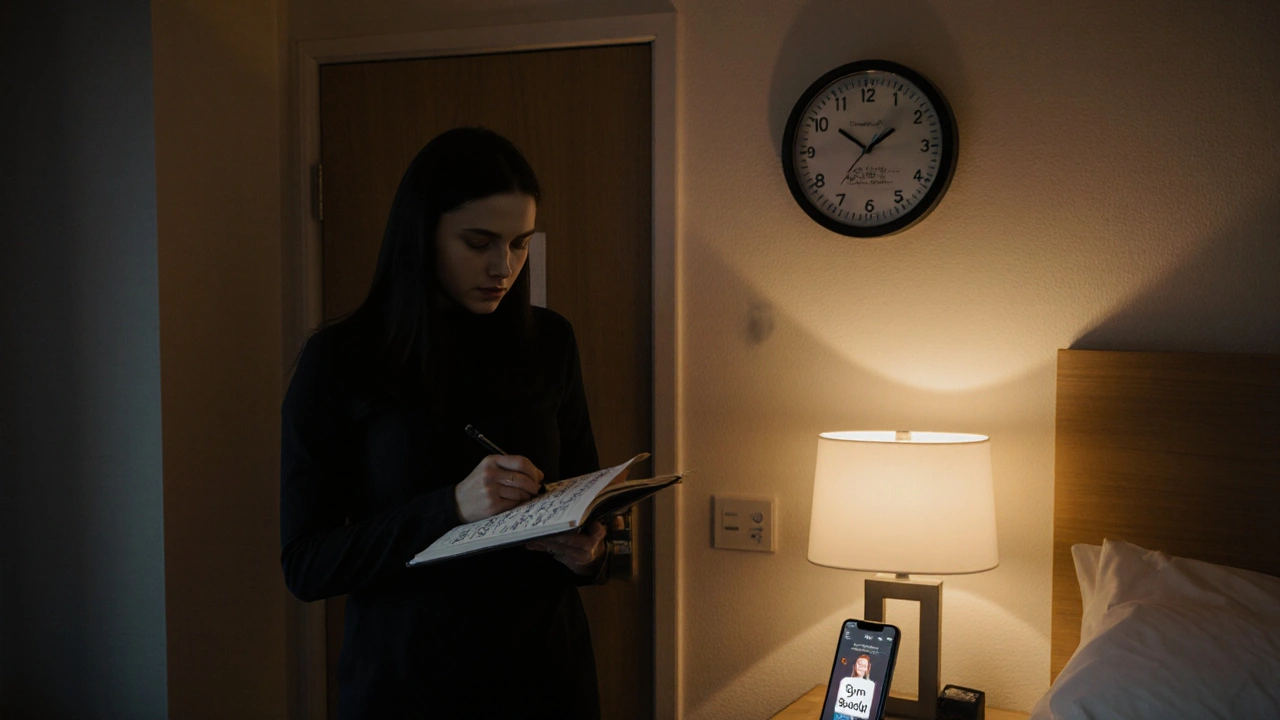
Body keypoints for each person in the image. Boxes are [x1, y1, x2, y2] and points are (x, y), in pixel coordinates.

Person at [279, 127, 610, 719]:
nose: (502, 266)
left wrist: (592, 553)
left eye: (519, 243)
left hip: (545, 678)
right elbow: (308, 564)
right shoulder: (343, 360)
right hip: (407, 684)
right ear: (421, 235)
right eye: (478, 242)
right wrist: (450, 507)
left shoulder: (550, 342)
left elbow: (593, 502)